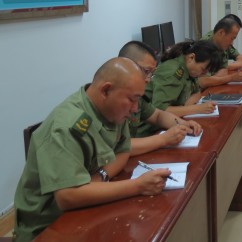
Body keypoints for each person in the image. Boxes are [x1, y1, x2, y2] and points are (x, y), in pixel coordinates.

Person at [13, 58, 171, 242]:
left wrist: (100, 176)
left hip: (88, 205)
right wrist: (138, 186)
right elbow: (68, 196)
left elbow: (123, 151)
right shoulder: (66, 126)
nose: (135, 108)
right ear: (105, 90)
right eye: (132, 99)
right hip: (48, 226)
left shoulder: (113, 110)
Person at [118, 41, 202, 155]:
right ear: (126, 65)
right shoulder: (111, 97)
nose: (149, 79)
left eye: (151, 73)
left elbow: (157, 115)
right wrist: (163, 139)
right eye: (146, 71)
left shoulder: (136, 95)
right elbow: (118, 147)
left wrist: (183, 124)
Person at [137, 40, 221, 136]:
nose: (204, 74)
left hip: (171, 123)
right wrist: (197, 109)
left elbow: (197, 93)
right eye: (203, 70)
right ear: (191, 57)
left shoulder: (190, 70)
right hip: (147, 130)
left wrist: (184, 108)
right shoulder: (173, 72)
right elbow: (160, 110)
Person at [198, 17, 242, 88]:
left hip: (213, 88)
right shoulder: (203, 47)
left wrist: (214, 79)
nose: (232, 43)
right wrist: (231, 78)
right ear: (221, 33)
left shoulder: (221, 45)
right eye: (232, 38)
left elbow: (223, 70)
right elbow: (202, 82)